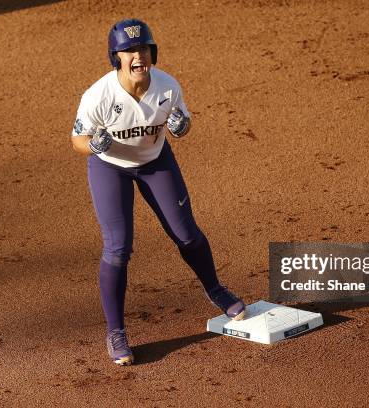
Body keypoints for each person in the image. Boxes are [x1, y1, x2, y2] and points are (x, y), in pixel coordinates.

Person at [70, 19, 246, 366]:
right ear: (116, 57)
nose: (139, 55)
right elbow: (76, 140)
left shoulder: (167, 86)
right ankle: (116, 332)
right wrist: (93, 144)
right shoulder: (98, 96)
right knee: (118, 248)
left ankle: (216, 291)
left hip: (155, 160)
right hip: (110, 167)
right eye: (130, 51)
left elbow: (182, 119)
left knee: (187, 234)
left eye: (144, 48)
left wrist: (183, 126)